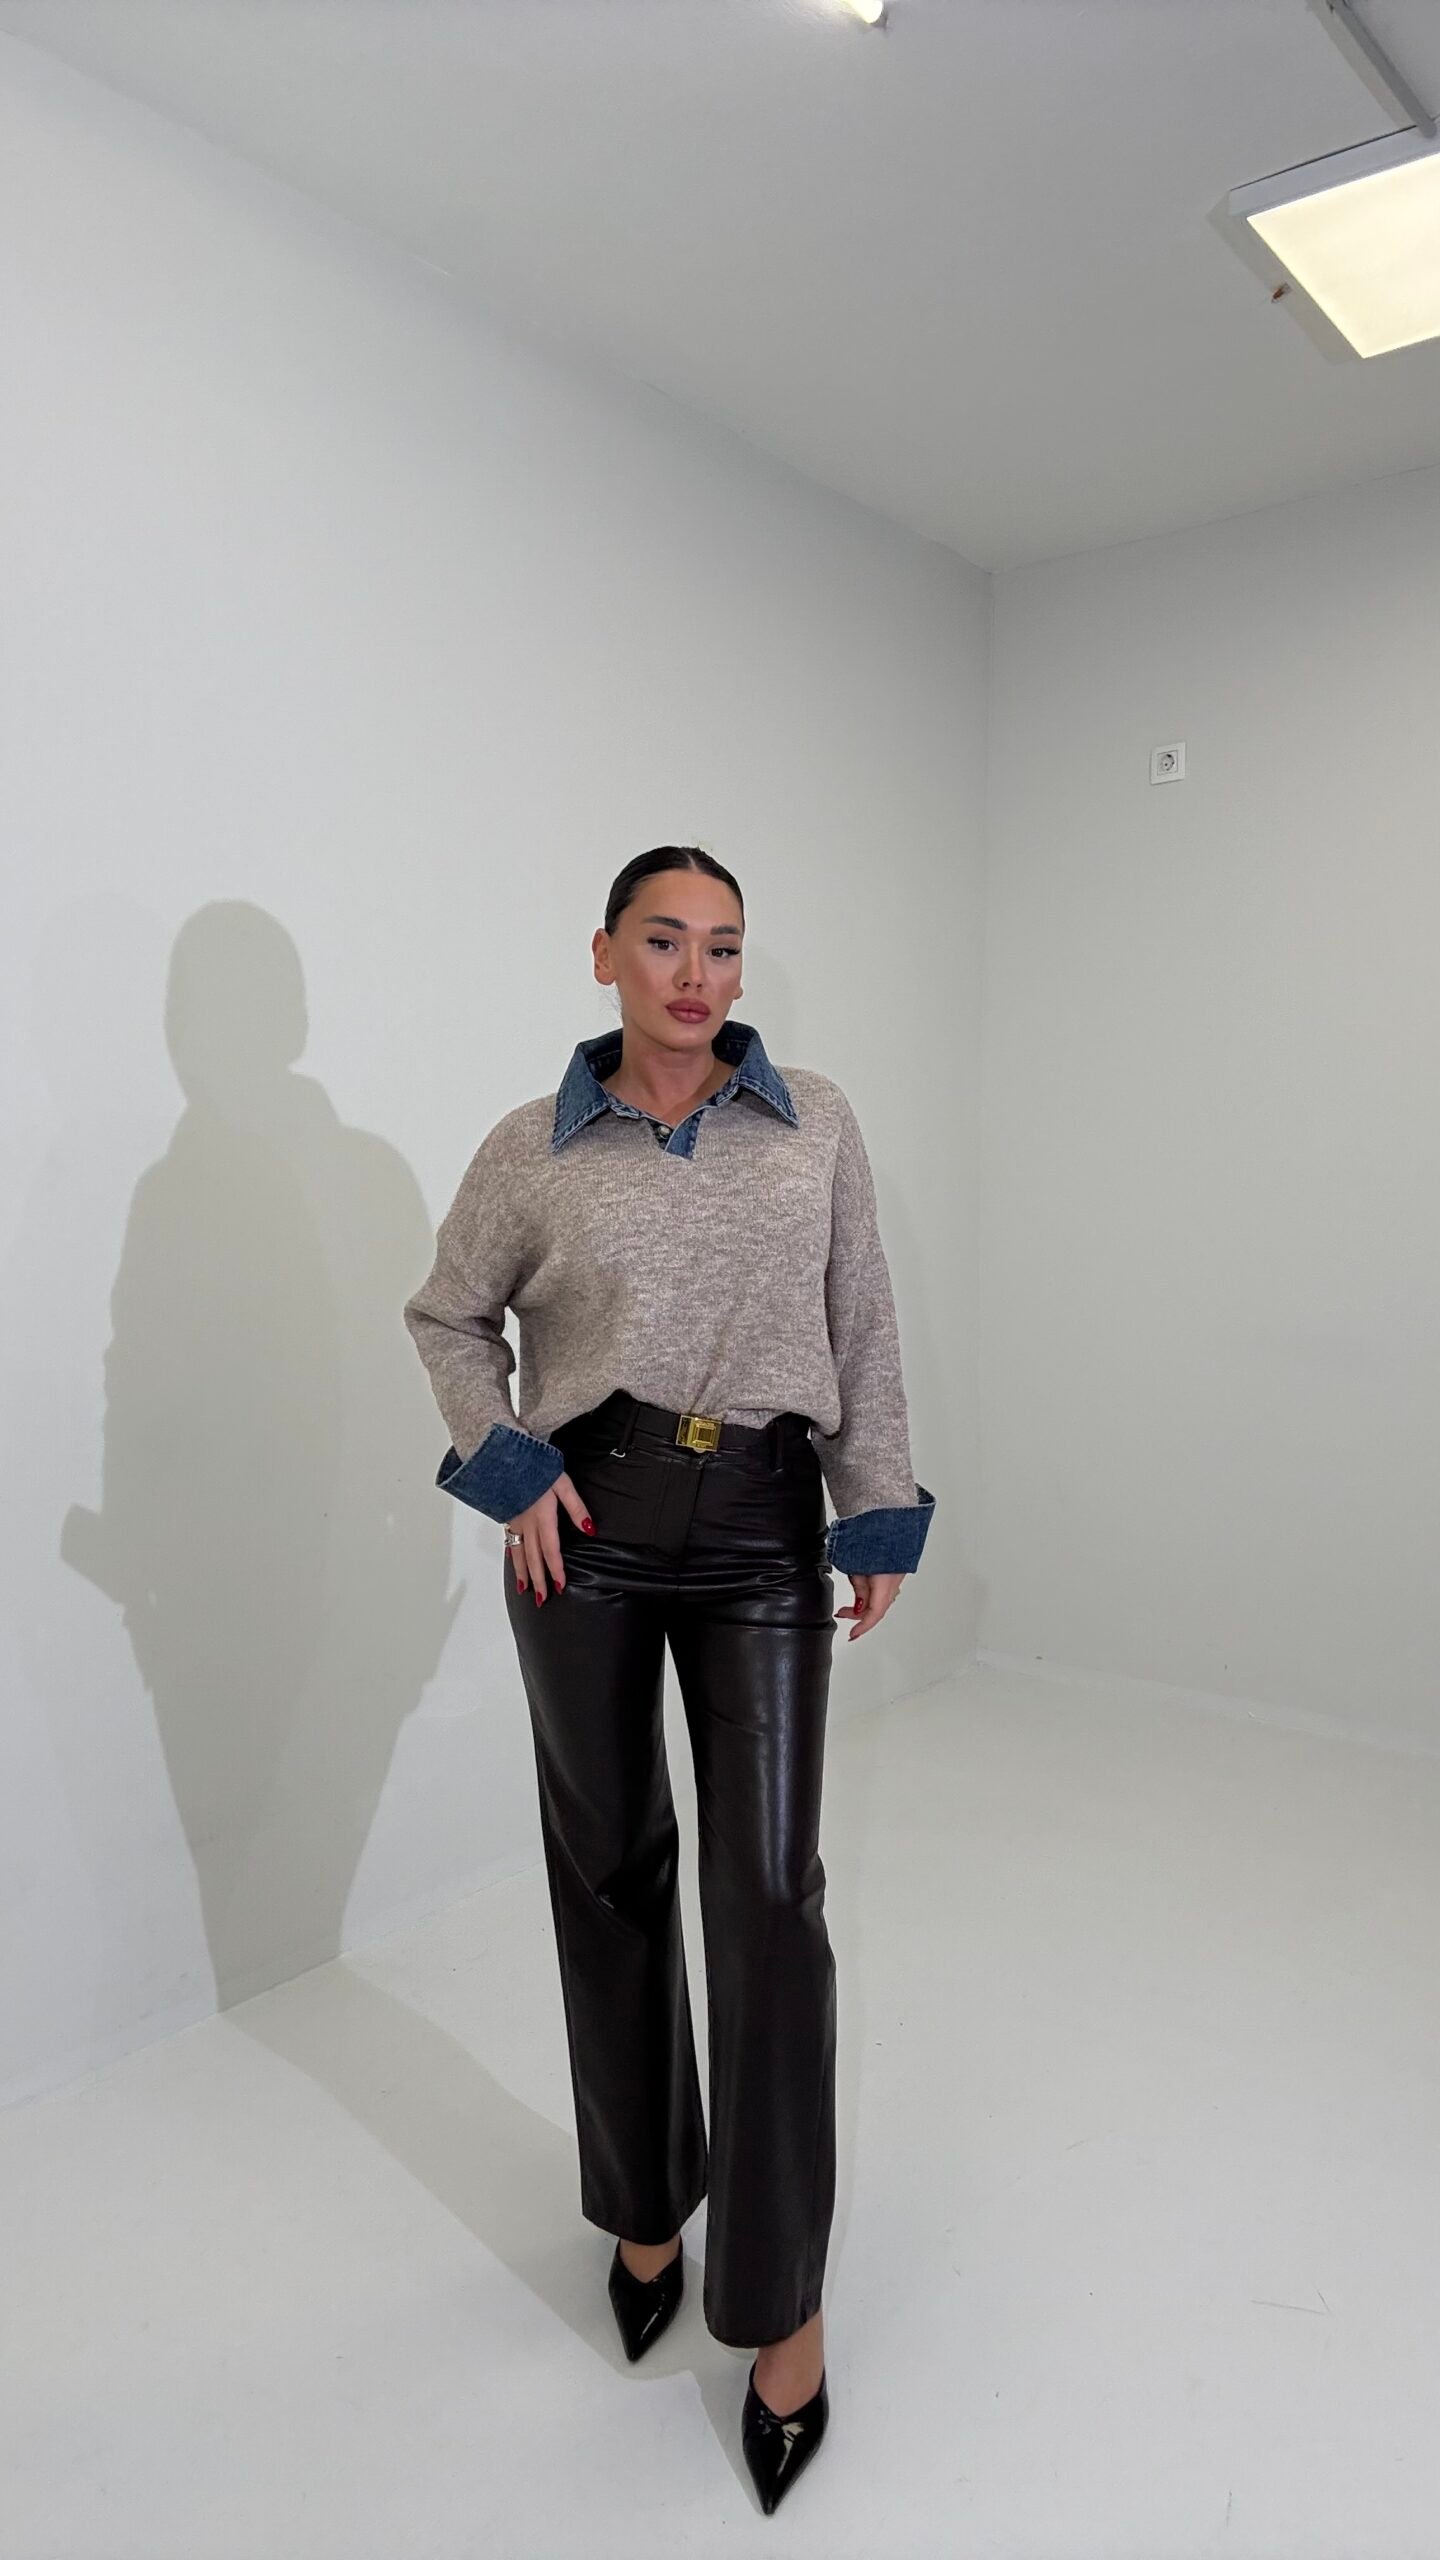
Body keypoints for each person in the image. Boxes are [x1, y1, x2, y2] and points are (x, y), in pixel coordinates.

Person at [402, 845, 935, 2516]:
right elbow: (447, 1317)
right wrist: (511, 1469)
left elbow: (863, 1320)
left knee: (768, 1897)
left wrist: (875, 1505)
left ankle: (782, 2304)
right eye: (664, 943)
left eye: (722, 946)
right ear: (605, 958)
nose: (697, 975)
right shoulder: (535, 1146)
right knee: (612, 1868)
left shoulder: (814, 1122)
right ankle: (646, 2210)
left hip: (765, 1527)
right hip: (591, 1534)